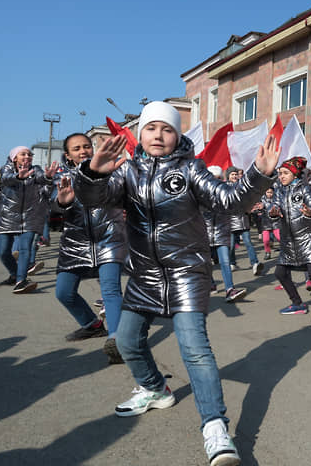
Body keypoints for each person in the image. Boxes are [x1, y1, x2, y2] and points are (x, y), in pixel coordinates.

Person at [75, 101, 279, 466]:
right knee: (125, 341)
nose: (158, 135)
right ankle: (155, 389)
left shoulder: (191, 169)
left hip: (187, 273)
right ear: (140, 134)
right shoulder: (128, 172)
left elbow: (230, 201)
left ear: (177, 136)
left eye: (167, 129)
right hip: (144, 276)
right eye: (151, 128)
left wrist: (258, 177)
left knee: (195, 351)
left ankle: (215, 429)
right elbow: (92, 199)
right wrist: (93, 173)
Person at [53, 133, 127, 363]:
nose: (83, 151)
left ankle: (117, 341)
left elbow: (121, 195)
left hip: (108, 238)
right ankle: (92, 325)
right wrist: (62, 204)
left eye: (86, 146)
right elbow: (52, 208)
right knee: (64, 292)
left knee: (111, 291)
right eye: (76, 149)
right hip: (75, 243)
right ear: (68, 155)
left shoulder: (113, 169)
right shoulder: (62, 177)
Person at [269, 156, 311, 328]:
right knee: (280, 273)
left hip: (307, 240)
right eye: (280, 173)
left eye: (285, 173)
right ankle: (297, 303)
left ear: (294, 174)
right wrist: (272, 212)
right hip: (288, 242)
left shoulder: (305, 189)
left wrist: (310, 212)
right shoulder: (279, 191)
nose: (281, 176)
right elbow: (272, 209)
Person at [0, 146, 57, 293]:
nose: (28, 156)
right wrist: (18, 177)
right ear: (14, 157)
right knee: (4, 252)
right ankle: (14, 274)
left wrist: (48, 177)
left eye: (29, 154)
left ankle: (21, 281)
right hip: (7, 217)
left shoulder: (35, 170)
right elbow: (5, 179)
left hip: (30, 217)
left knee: (25, 249)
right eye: (23, 154)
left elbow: (42, 179)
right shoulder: (7, 169)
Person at [204, 166, 247, 303]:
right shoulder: (201, 194)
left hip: (221, 233)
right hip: (204, 234)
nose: (216, 181)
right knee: (206, 263)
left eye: (218, 178)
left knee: (225, 262)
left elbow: (235, 205)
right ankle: (211, 285)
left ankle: (230, 289)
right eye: (213, 178)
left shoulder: (226, 193)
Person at [225, 166, 264, 276]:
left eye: (236, 174)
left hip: (243, 219)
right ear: (228, 176)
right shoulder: (224, 187)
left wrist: (250, 206)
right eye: (232, 174)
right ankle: (232, 263)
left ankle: (255, 263)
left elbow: (248, 199)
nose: (235, 176)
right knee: (231, 245)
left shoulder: (242, 186)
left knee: (248, 243)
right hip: (230, 221)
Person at [256, 187, 280, 260]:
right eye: (268, 192)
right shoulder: (261, 200)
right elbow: (257, 210)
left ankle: (286, 251)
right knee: (266, 240)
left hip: (275, 222)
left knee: (279, 238)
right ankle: (267, 252)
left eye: (271, 192)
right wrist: (260, 209)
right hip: (265, 222)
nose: (269, 194)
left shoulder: (277, 199)